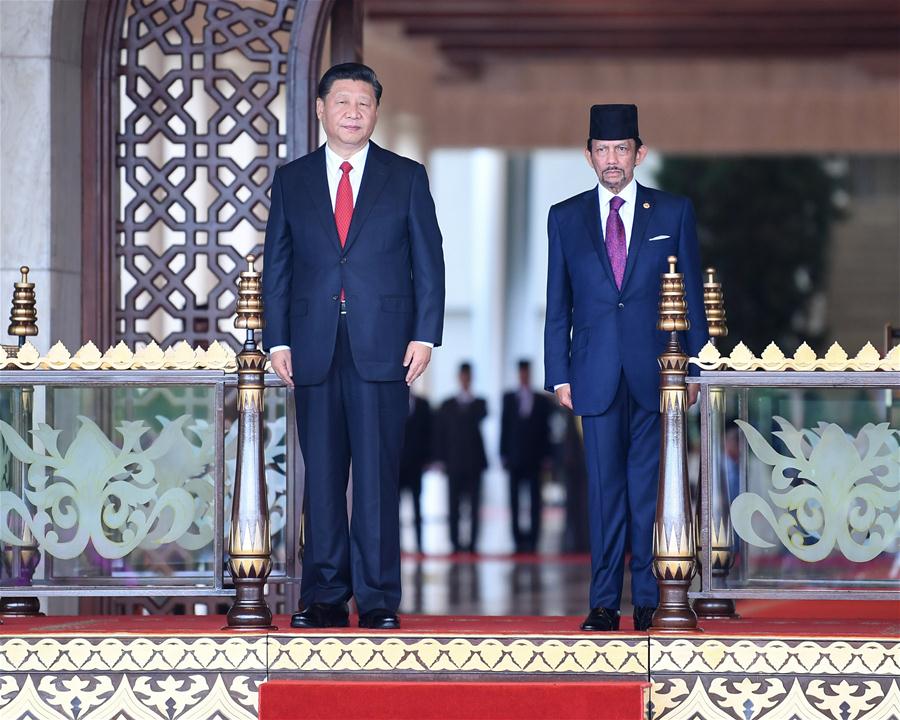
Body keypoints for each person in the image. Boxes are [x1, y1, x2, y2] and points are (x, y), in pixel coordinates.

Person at [262, 62, 445, 630]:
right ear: (321, 109)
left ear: (376, 112)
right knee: (321, 477)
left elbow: (429, 261)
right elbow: (277, 267)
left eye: (363, 103)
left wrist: (425, 334)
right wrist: (277, 339)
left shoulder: (406, 176)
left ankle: (379, 598)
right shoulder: (292, 180)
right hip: (312, 346)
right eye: (342, 102)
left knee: (376, 477)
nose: (352, 112)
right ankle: (324, 595)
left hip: (384, 347)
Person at [543, 104, 707, 632]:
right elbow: (558, 303)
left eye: (621, 149)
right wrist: (558, 372)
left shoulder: (673, 212)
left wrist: (695, 368)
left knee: (649, 495)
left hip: (658, 376)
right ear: (588, 155)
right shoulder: (565, 217)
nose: (612, 159)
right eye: (602, 150)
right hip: (593, 375)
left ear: (640, 153)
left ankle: (649, 601)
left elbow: (691, 295)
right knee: (603, 494)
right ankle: (603, 603)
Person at [434, 362, 487, 553]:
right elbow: (440, 434)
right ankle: (454, 542)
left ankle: (472, 543)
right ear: (459, 377)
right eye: (463, 376)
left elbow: (481, 416)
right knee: (453, 505)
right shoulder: (447, 405)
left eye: (468, 376)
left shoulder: (479, 403)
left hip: (474, 463)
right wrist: (440, 459)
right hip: (454, 462)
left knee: (474, 506)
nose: (465, 379)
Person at [500, 359, 552, 554]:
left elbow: (546, 431)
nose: (523, 375)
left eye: (526, 372)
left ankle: (533, 539)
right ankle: (517, 539)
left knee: (535, 501)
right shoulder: (509, 398)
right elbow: (505, 427)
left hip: (535, 458)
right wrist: (503, 454)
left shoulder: (541, 400)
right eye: (521, 372)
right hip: (515, 458)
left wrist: (547, 455)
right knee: (514, 500)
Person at [399, 393, 433, 553]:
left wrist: (428, 458)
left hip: (416, 464)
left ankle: (420, 543)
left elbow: (429, 432)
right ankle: (396, 543)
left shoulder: (423, 405)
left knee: (417, 504)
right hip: (397, 465)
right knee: (395, 507)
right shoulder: (392, 401)